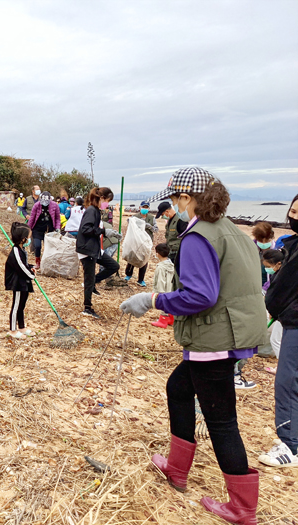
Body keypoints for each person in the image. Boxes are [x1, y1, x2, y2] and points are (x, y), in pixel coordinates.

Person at [120, 168, 266, 524]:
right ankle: (177, 468)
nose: (174, 206)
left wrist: (154, 299)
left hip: (215, 339)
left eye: (175, 200)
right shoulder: (234, 231)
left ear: (187, 199)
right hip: (233, 334)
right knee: (178, 388)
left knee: (221, 420)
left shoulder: (199, 236)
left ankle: (243, 508)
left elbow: (200, 296)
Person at [260, 194, 298, 468]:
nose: (294, 216)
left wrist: (275, 306)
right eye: (293, 211)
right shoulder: (292, 245)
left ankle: (291, 445)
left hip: (295, 321)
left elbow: (285, 286)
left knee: (287, 381)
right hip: (289, 319)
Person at [76, 187, 121, 319]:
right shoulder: (91, 210)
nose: (107, 204)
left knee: (113, 266)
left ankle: (93, 283)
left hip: (94, 248)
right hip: (87, 249)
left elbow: (93, 228)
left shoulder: (96, 211)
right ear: (101, 198)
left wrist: (107, 232)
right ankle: (87, 308)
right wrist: (103, 232)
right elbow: (85, 229)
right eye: (107, 200)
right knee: (88, 278)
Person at [5, 222, 36, 339]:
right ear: (23, 239)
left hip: (23, 281)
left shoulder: (22, 250)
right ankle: (13, 330)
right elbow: (20, 267)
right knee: (16, 305)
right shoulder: (16, 251)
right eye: (28, 238)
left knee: (22, 305)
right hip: (17, 282)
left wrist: (30, 267)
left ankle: (22, 327)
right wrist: (31, 275)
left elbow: (25, 264)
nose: (29, 240)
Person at [124, 201, 156, 287]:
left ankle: (141, 279)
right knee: (132, 257)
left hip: (146, 243)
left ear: (148, 208)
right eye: (143, 207)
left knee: (144, 260)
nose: (144, 209)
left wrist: (149, 226)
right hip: (135, 241)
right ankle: (128, 274)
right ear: (139, 208)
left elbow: (156, 229)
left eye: (146, 207)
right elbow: (129, 223)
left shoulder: (152, 218)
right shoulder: (135, 217)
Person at [261, 250, 284, 366]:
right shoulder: (277, 274)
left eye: (268, 266)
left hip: (284, 313)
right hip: (280, 313)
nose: (267, 269)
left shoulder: (284, 277)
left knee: (275, 340)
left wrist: (274, 311)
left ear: (278, 264)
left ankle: (283, 367)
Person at [27, 191, 61, 270]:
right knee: (37, 246)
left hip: (49, 230)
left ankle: (47, 263)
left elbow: (57, 218)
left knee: (48, 248)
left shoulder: (55, 206)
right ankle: (38, 263)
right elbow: (32, 218)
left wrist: (57, 228)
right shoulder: (37, 205)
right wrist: (28, 229)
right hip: (37, 229)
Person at [150, 243, 175, 328]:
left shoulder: (160, 267)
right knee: (170, 303)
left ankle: (163, 320)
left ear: (158, 254)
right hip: (171, 288)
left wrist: (159, 293)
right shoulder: (171, 265)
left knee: (164, 304)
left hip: (163, 290)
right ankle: (171, 319)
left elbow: (160, 280)